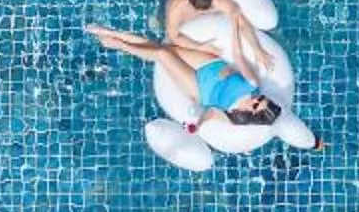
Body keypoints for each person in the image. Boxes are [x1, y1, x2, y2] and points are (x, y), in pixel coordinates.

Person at [84, 22, 284, 131]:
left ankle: (119, 44)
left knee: (162, 55)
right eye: (261, 98)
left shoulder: (237, 118)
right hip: (210, 66)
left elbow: (212, 113)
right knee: (162, 47)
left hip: (199, 88)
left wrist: (199, 125)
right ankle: (109, 31)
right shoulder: (252, 84)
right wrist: (255, 51)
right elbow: (239, 59)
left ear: (254, 115)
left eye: (257, 105)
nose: (256, 99)